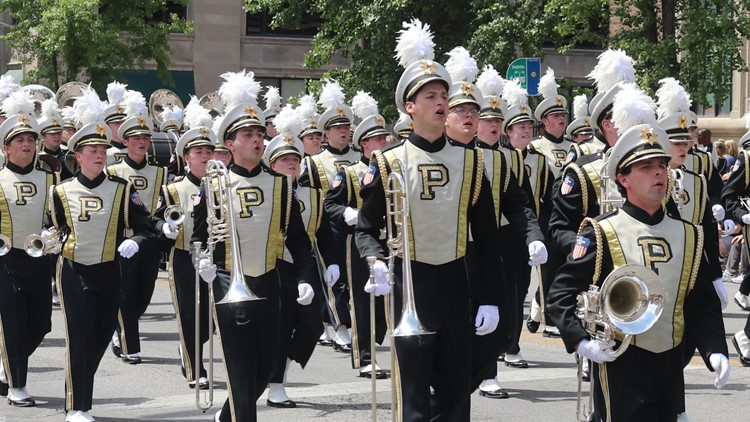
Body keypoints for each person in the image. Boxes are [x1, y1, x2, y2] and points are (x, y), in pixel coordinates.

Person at [548, 87, 730, 422]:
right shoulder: (601, 231)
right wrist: (580, 341)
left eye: (661, 164)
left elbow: (700, 300)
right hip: (621, 361)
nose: (659, 173)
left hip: (671, 359)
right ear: (623, 178)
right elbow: (560, 295)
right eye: (645, 167)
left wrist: (715, 349)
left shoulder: (688, 233)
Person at [355, 18, 502, 420]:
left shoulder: (471, 159)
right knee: (413, 392)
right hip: (408, 280)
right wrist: (376, 261)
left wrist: (489, 297)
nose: (441, 102)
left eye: (444, 94)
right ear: (410, 106)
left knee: (457, 392)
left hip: (456, 281)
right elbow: (366, 228)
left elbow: (488, 236)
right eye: (431, 95)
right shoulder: (387, 161)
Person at [193, 71, 315, 422]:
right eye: (248, 135)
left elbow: (298, 240)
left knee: (264, 368)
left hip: (270, 283)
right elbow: (201, 234)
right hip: (228, 281)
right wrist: (203, 262)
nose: (258, 140)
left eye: (261, 134)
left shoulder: (280, 185)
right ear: (230, 144)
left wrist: (306, 276)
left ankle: (229, 414)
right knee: (241, 367)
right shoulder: (214, 184)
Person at [50, 91, 156, 422]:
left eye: (102, 150)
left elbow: (146, 226)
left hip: (110, 271)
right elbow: (57, 230)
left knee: (100, 336)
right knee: (80, 338)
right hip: (73, 270)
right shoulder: (61, 192)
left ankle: (74, 384)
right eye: (92, 151)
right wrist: (51, 241)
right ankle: (78, 406)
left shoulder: (122, 189)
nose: (99, 155)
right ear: (77, 156)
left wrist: (136, 241)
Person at [472, 65, 545, 399]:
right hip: (460, 241)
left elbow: (521, 203)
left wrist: (533, 236)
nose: (493, 126)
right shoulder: (460, 153)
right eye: (488, 120)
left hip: (499, 240)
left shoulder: (508, 160)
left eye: (498, 122)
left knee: (499, 302)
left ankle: (489, 372)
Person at [262, 106, 337, 407]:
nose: (291, 163)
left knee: (312, 326)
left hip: (303, 268)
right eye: (285, 159)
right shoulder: (264, 191)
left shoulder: (313, 195)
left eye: (295, 159)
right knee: (279, 327)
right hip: (271, 268)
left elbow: (324, 233)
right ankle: (275, 383)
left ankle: (278, 368)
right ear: (272, 163)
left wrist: (332, 262)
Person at [325, 93, 390, 378]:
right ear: (364, 144)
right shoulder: (350, 173)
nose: (385, 143)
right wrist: (348, 213)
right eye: (378, 139)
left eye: (386, 138)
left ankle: (375, 344)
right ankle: (365, 356)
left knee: (388, 300)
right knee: (363, 302)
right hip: (359, 242)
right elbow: (330, 203)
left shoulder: (394, 168)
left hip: (392, 239)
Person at [153, 101, 216, 390]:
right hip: (182, 257)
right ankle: (195, 368)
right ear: (186, 157)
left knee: (212, 318)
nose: (204, 156)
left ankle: (187, 347)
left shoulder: (223, 184)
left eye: (208, 151)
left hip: (218, 258)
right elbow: (155, 221)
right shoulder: (173, 189)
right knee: (190, 314)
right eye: (198, 152)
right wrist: (164, 228)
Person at [0, 111, 58, 407]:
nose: (26, 145)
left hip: (40, 259)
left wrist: (54, 236)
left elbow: (60, 217)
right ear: (6, 148)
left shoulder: (51, 177)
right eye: (19, 140)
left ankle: (7, 365)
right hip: (6, 261)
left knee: (41, 325)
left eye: (30, 140)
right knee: (13, 323)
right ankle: (17, 386)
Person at [298, 80, 359, 352]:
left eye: (346, 128)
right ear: (326, 133)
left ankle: (349, 323)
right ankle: (340, 328)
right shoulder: (313, 162)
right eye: (338, 128)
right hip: (327, 229)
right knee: (334, 280)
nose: (344, 132)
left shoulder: (360, 156)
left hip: (359, 227)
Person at [106, 109, 168, 364]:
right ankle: (129, 344)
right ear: (125, 142)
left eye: (145, 137)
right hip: (124, 241)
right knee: (125, 293)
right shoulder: (114, 171)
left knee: (144, 294)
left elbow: (164, 204)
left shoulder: (160, 172)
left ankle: (118, 327)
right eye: (135, 138)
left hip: (150, 241)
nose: (141, 142)